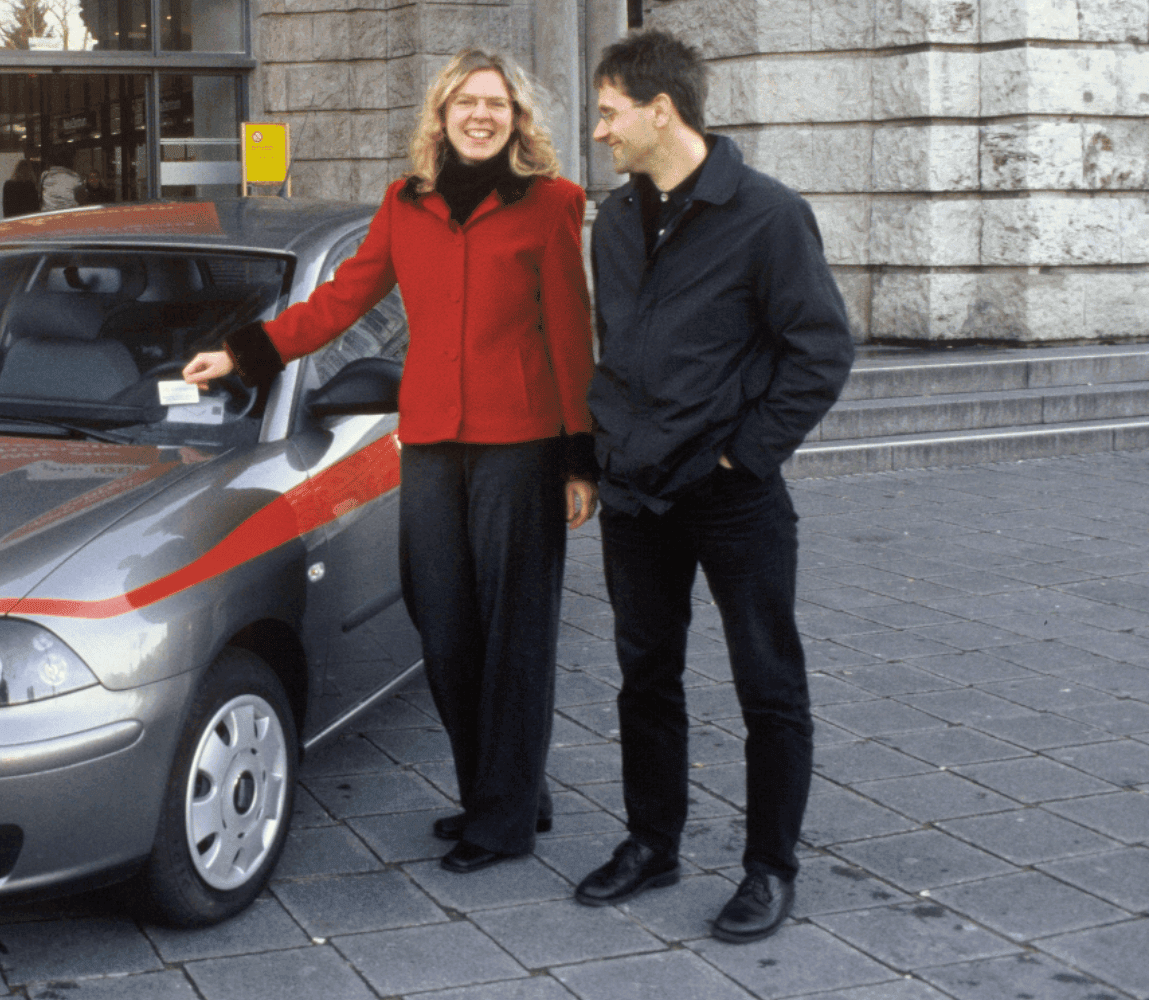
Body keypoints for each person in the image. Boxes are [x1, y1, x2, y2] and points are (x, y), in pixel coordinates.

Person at [183, 48, 598, 875]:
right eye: (466, 102)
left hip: (521, 448)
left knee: (514, 636)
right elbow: (341, 301)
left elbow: (571, 333)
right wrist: (245, 353)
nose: (481, 115)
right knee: (444, 625)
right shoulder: (405, 205)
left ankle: (503, 817)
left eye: (497, 103)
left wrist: (579, 458)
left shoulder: (553, 203)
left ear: (517, 119)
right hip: (434, 444)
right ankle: (505, 789)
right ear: (440, 115)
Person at [572, 29, 853, 944]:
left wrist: (743, 455)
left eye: (609, 112)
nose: (599, 131)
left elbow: (821, 351)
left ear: (662, 111)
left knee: (768, 684)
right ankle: (652, 843)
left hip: (733, 499)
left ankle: (770, 867)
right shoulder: (616, 222)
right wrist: (607, 449)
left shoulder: (769, 215)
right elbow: (619, 348)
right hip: (636, 495)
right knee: (644, 676)